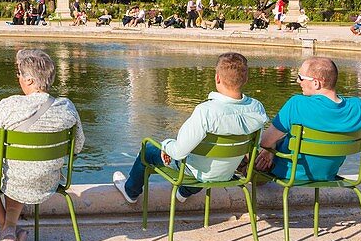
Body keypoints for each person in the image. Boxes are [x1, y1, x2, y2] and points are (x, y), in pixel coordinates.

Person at [0, 49, 84, 241]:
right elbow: (77, 146)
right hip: (48, 180)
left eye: (19, 74)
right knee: (19, 163)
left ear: (29, 80)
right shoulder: (67, 106)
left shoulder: (8, 105)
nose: (18, 78)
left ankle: (6, 227)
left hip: (14, 178)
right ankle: (10, 226)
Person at [113, 52, 267, 204]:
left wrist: (166, 145)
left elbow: (179, 152)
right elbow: (254, 145)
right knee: (200, 156)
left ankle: (130, 192)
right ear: (246, 79)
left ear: (217, 77)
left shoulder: (206, 111)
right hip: (227, 173)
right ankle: (184, 192)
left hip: (198, 174)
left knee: (148, 149)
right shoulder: (257, 108)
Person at [255, 57, 361, 182]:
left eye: (301, 77)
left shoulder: (297, 104)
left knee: (247, 154)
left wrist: (273, 146)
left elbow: (264, 141)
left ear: (316, 83)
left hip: (289, 173)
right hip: (328, 174)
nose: (298, 81)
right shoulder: (359, 107)